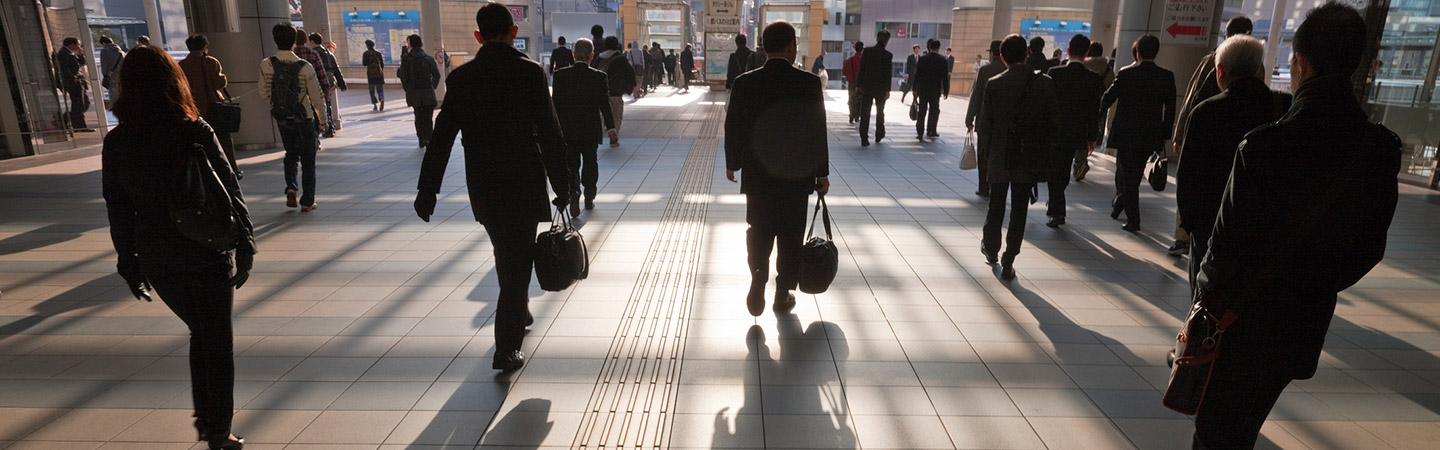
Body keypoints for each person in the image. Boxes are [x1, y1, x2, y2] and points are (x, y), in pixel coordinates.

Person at [1190, 3, 1401, 448]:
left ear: (1301, 62)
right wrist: (1313, 281)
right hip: (1303, 323)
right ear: (1356, 62)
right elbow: (1369, 248)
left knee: (1215, 432)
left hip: (1238, 324)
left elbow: (1223, 248)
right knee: (1245, 423)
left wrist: (1204, 305)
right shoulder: (1379, 150)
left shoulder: (1265, 145)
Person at [104, 44, 255, 450]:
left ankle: (207, 420)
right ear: (173, 80)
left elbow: (117, 207)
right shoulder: (193, 128)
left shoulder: (117, 142)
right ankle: (218, 430)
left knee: (199, 331)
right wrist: (246, 243)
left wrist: (127, 261)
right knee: (216, 340)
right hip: (206, 248)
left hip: (157, 255)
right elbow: (229, 188)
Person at [415, 2, 570, 372]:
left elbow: (442, 138)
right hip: (523, 181)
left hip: (483, 185)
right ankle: (506, 348)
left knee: (508, 253)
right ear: (514, 32)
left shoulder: (462, 78)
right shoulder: (530, 73)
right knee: (515, 262)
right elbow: (551, 134)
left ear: (478, 35)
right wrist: (563, 185)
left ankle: (519, 309)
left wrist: (428, 189)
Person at [725, 20, 829, 317]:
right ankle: (782, 293)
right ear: (791, 46)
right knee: (790, 235)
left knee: (758, 229)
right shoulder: (808, 83)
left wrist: (733, 163)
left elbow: (733, 126)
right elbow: (816, 131)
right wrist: (821, 173)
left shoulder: (746, 82)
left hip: (758, 175)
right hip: (797, 177)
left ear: (764, 46)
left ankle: (759, 272)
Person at [1175, 34, 1286, 286]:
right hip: (1264, 226)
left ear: (1221, 70)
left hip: (1211, 222)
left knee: (1205, 297)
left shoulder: (1206, 111)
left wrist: (1191, 224)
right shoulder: (1280, 107)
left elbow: (1189, 174)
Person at [1168, 16, 1254, 257]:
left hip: (1207, 133)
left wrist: (1179, 133)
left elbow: (1192, 98)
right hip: (1241, 138)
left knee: (1194, 181)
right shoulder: (1256, 63)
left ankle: (1183, 236)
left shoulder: (1213, 60)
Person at [977, 34, 1058, 280]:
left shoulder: (994, 83)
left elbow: (985, 126)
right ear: (1026, 53)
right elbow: (1054, 122)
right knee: (1020, 208)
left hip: (1000, 155)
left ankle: (991, 249)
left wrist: (989, 154)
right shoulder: (1044, 83)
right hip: (1028, 156)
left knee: (996, 205)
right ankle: (1010, 258)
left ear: (1002, 57)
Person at [1099, 34, 1174, 232]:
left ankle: (1134, 221)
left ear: (1137, 52)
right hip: (1151, 134)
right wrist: (1165, 134)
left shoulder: (1126, 74)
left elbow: (1107, 98)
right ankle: (1118, 209)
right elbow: (1171, 108)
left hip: (1126, 133)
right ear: (1156, 52)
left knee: (1128, 178)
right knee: (1134, 176)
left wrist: (1100, 119)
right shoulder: (1166, 76)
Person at [260, 22, 329, 212]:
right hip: (304, 116)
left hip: (283, 117)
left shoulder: (267, 64)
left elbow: (264, 92)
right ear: (294, 42)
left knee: (290, 153)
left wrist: (276, 107)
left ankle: (291, 186)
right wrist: (323, 119)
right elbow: (316, 95)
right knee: (308, 159)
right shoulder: (304, 66)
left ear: (275, 40)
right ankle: (307, 201)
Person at [1043, 34, 1104, 228]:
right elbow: (1094, 112)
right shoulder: (1093, 79)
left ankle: (1056, 210)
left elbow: (1046, 104)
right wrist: (1092, 137)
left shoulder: (1054, 72)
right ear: (1086, 53)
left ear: (1068, 51)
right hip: (1076, 132)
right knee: (1063, 170)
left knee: (1055, 171)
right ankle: (1056, 206)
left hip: (1053, 131)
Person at [553, 38, 617, 215]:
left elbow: (555, 105)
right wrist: (611, 128)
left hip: (568, 129)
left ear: (573, 55)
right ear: (592, 56)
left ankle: (574, 192)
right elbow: (605, 105)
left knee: (571, 163)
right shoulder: (599, 77)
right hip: (590, 128)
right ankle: (589, 195)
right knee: (590, 161)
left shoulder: (560, 76)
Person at [179, 34, 238, 178]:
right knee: (224, 141)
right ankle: (231, 171)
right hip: (213, 106)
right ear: (204, 46)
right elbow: (219, 83)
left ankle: (204, 172)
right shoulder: (210, 62)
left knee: (198, 142)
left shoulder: (181, 65)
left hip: (193, 108)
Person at [966, 40, 1005, 196]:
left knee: (983, 155)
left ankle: (984, 187)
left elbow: (976, 95)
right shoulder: (1008, 69)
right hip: (1004, 122)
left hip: (984, 121)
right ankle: (997, 186)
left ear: (991, 53)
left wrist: (969, 118)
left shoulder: (984, 70)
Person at [398, 34, 441, 148]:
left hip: (414, 93)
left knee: (418, 116)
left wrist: (407, 89)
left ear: (410, 44)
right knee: (428, 118)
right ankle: (429, 138)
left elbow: (403, 76)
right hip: (428, 92)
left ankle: (421, 139)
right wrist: (432, 86)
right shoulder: (428, 59)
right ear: (421, 44)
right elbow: (437, 75)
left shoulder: (406, 59)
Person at [1080, 41, 1115, 173]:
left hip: (1081, 105)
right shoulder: (1107, 70)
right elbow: (1111, 89)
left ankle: (1080, 159)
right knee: (1093, 127)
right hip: (1099, 105)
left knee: (1081, 130)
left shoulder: (1082, 66)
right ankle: (1093, 142)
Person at [856, 30, 893, 146]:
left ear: (877, 39)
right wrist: (887, 90)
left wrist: (859, 84)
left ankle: (864, 138)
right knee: (880, 111)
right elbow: (888, 74)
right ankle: (879, 133)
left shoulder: (867, 51)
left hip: (867, 86)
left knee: (865, 112)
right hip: (881, 88)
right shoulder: (888, 55)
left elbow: (862, 69)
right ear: (887, 41)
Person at [597, 37, 635, 147]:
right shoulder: (621, 59)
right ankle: (613, 138)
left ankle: (605, 129)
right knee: (616, 117)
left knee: (603, 115)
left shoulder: (599, 58)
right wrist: (629, 87)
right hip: (616, 93)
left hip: (602, 93)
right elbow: (630, 73)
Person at [912, 38, 949, 140]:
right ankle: (931, 130)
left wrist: (914, 88)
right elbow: (945, 77)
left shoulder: (922, 59)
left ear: (929, 47)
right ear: (938, 48)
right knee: (934, 110)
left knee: (922, 110)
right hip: (935, 90)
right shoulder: (942, 60)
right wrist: (946, 90)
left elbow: (917, 75)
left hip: (923, 89)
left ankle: (920, 132)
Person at [310, 33, 346, 136]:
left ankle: (325, 127)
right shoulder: (329, 53)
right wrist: (342, 83)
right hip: (330, 81)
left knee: (319, 105)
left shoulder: (313, 53)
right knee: (328, 103)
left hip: (319, 81)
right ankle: (331, 127)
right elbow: (336, 69)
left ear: (312, 41)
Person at [55, 37, 91, 131]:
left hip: (77, 82)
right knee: (78, 104)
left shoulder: (69, 53)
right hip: (73, 83)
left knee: (84, 103)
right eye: (78, 44)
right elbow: (64, 69)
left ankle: (66, 119)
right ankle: (80, 126)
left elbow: (81, 63)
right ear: (72, 44)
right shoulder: (63, 54)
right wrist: (73, 79)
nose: (79, 47)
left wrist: (80, 55)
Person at [842, 41, 864, 124]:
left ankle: (851, 115)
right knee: (860, 100)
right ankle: (857, 116)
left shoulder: (850, 60)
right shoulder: (864, 60)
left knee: (851, 99)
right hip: (861, 84)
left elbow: (844, 71)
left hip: (852, 83)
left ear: (855, 48)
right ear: (862, 49)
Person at [362, 40, 386, 111]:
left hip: (370, 75)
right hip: (379, 75)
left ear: (367, 46)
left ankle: (375, 105)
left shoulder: (366, 53)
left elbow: (364, 64)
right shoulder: (378, 53)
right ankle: (381, 98)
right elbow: (382, 64)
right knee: (380, 90)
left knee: (372, 91)